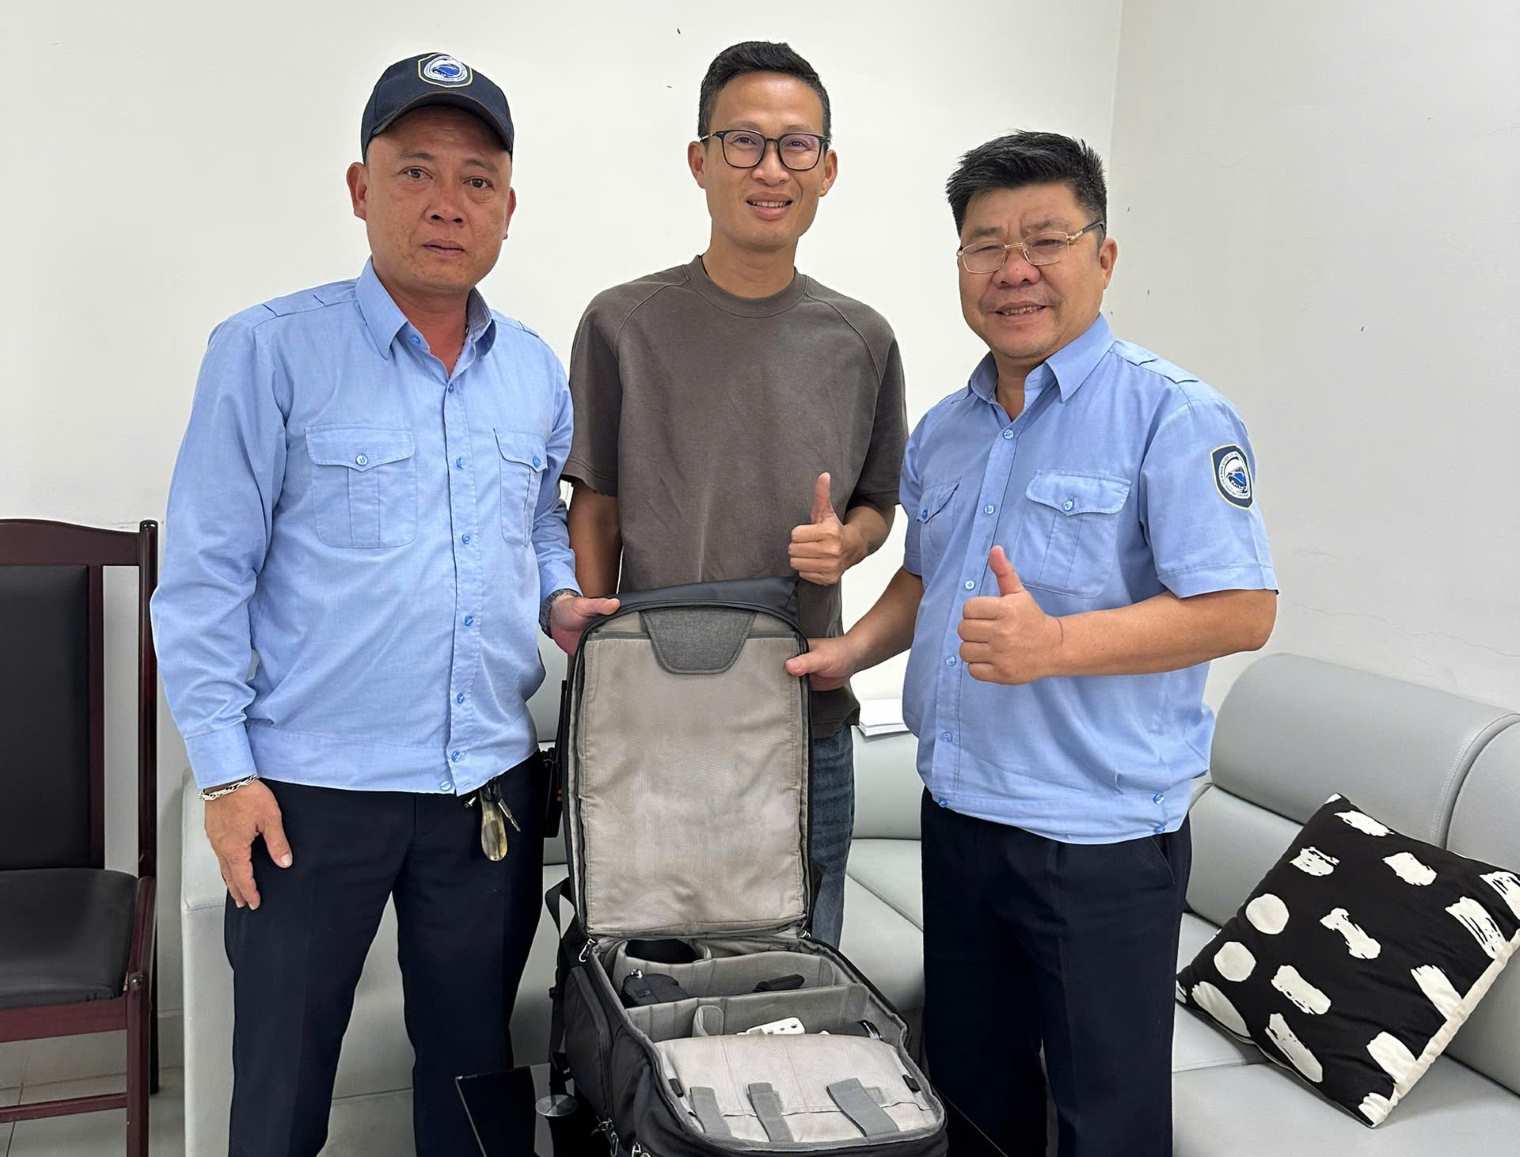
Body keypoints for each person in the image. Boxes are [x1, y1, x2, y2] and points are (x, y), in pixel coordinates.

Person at [151, 52, 614, 1156]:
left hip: (484, 787)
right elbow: (204, 579)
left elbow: (535, 521)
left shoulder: (532, 371)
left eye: (476, 180)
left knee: (472, 1072)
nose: (447, 203)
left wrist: (558, 594)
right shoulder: (267, 350)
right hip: (307, 791)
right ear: (361, 189)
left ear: (507, 208)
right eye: (415, 172)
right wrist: (226, 774)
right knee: (281, 1082)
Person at [787, 131, 1278, 1156]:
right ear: (960, 264)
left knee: (1105, 1124)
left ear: (1102, 256)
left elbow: (1241, 609)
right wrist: (852, 651)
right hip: (961, 817)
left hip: (1096, 841)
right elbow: (926, 578)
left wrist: (1054, 642)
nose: (1014, 269)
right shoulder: (945, 427)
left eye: (1045, 239)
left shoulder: (1171, 414)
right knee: (971, 1099)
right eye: (986, 245)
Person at [564, 41, 906, 946]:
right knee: (646, 970)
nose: (771, 168)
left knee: (800, 973)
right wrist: (597, 664)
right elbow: (595, 503)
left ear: (827, 169)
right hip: (652, 714)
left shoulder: (862, 339)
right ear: (700, 160)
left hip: (804, 713)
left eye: (797, 145)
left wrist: (849, 544)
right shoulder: (621, 322)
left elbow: (878, 504)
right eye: (744, 141)